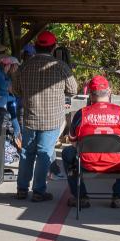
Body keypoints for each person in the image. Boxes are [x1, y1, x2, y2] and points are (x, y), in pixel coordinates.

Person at [16, 31, 78, 202]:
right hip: (51, 119)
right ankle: (38, 191)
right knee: (44, 153)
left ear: (36, 47)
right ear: (53, 48)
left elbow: (15, 89)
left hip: (29, 116)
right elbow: (73, 90)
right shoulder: (60, 66)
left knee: (26, 153)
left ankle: (22, 189)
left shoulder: (24, 66)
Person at [62, 75, 120, 209]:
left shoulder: (81, 114)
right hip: (117, 163)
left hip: (87, 163)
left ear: (90, 94)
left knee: (67, 152)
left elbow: (73, 141)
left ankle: (81, 197)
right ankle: (119, 196)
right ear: (109, 92)